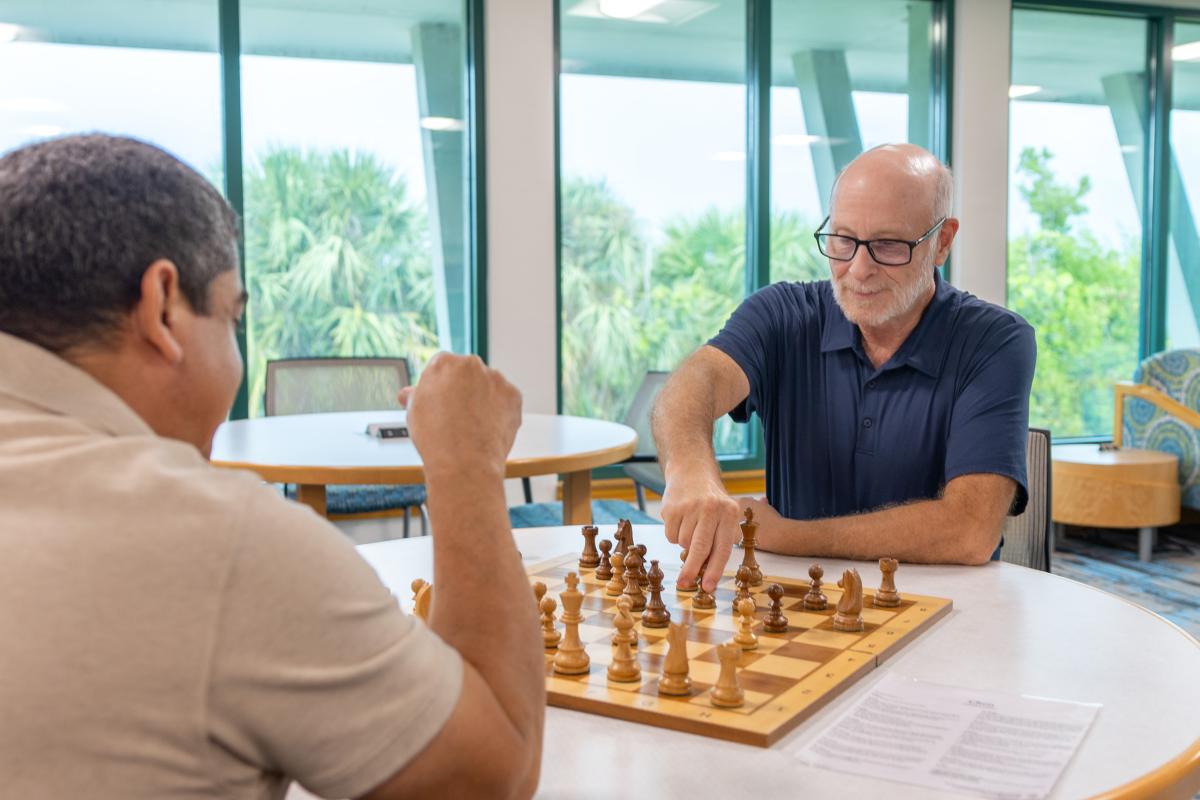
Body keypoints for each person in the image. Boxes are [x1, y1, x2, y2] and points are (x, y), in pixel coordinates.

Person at [0, 134, 543, 799]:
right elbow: (493, 777)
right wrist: (467, 462)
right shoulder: (219, 540)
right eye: (232, 317)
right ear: (163, 305)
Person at [654, 144, 1036, 592]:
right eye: (843, 239)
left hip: (947, 611)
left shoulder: (995, 340)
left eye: (888, 246)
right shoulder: (783, 313)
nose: (858, 269)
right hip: (797, 603)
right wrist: (691, 469)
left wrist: (785, 535)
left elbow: (969, 531)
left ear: (942, 242)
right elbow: (694, 382)